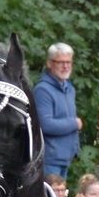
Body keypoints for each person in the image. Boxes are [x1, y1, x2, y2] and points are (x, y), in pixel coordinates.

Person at [36, 43, 81, 179]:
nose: (65, 66)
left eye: (68, 62)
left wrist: (75, 149)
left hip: (65, 159)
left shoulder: (69, 89)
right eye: (61, 62)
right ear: (49, 63)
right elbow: (45, 124)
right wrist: (74, 123)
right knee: (49, 193)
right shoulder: (43, 90)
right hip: (49, 160)